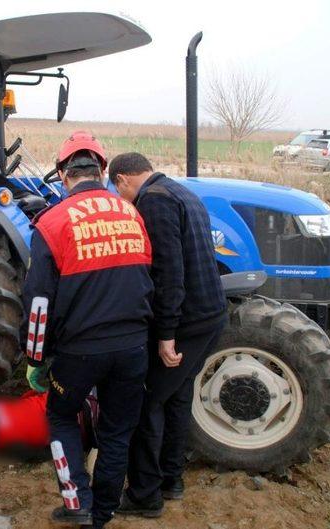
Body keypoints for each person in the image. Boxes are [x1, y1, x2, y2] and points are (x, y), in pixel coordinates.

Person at [19, 131, 154, 529]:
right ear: (103, 170)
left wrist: (36, 359)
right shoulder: (132, 214)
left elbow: (39, 305)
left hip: (80, 352)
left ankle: (77, 502)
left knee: (60, 417)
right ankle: (104, 512)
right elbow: (145, 275)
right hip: (133, 347)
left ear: (63, 174)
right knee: (117, 431)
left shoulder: (52, 222)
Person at [109, 152, 227, 517]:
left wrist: (166, 334)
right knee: (177, 398)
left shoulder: (153, 201)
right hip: (211, 315)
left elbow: (169, 272)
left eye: (118, 190)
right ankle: (171, 480)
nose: (121, 197)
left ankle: (145, 496)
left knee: (148, 402)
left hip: (187, 322)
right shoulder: (182, 191)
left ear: (123, 180)